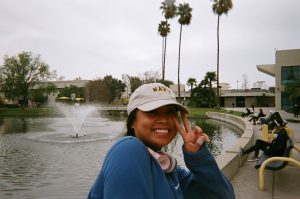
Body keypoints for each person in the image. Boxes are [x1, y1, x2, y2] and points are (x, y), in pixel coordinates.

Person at [88, 83, 235, 199]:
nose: (164, 120)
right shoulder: (128, 150)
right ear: (132, 121)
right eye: (152, 112)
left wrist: (198, 156)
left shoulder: (170, 171)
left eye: (170, 112)